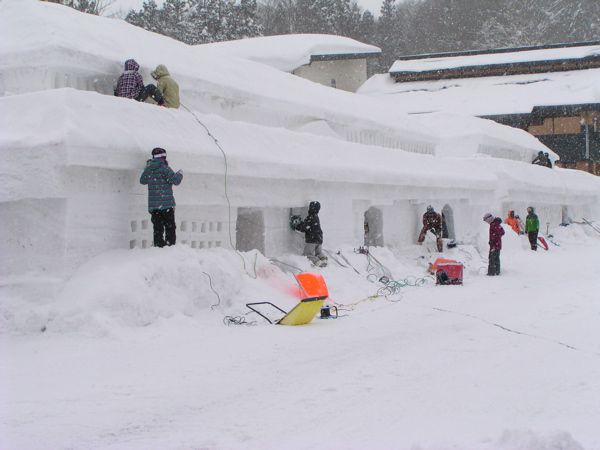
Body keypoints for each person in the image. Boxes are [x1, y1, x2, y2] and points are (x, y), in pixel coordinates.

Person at [139, 147, 183, 247]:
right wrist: (180, 174)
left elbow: (142, 181)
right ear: (163, 156)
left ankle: (158, 248)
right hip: (167, 205)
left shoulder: (149, 168)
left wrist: (147, 168)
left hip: (155, 207)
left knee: (157, 229)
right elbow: (176, 181)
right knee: (170, 228)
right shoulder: (164, 168)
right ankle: (170, 247)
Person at [291, 201, 327, 267]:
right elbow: (307, 226)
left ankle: (318, 263)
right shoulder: (316, 217)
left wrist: (296, 226)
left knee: (307, 254)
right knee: (318, 252)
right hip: (319, 238)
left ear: (310, 208)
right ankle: (323, 259)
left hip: (312, 239)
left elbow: (304, 227)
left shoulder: (310, 217)